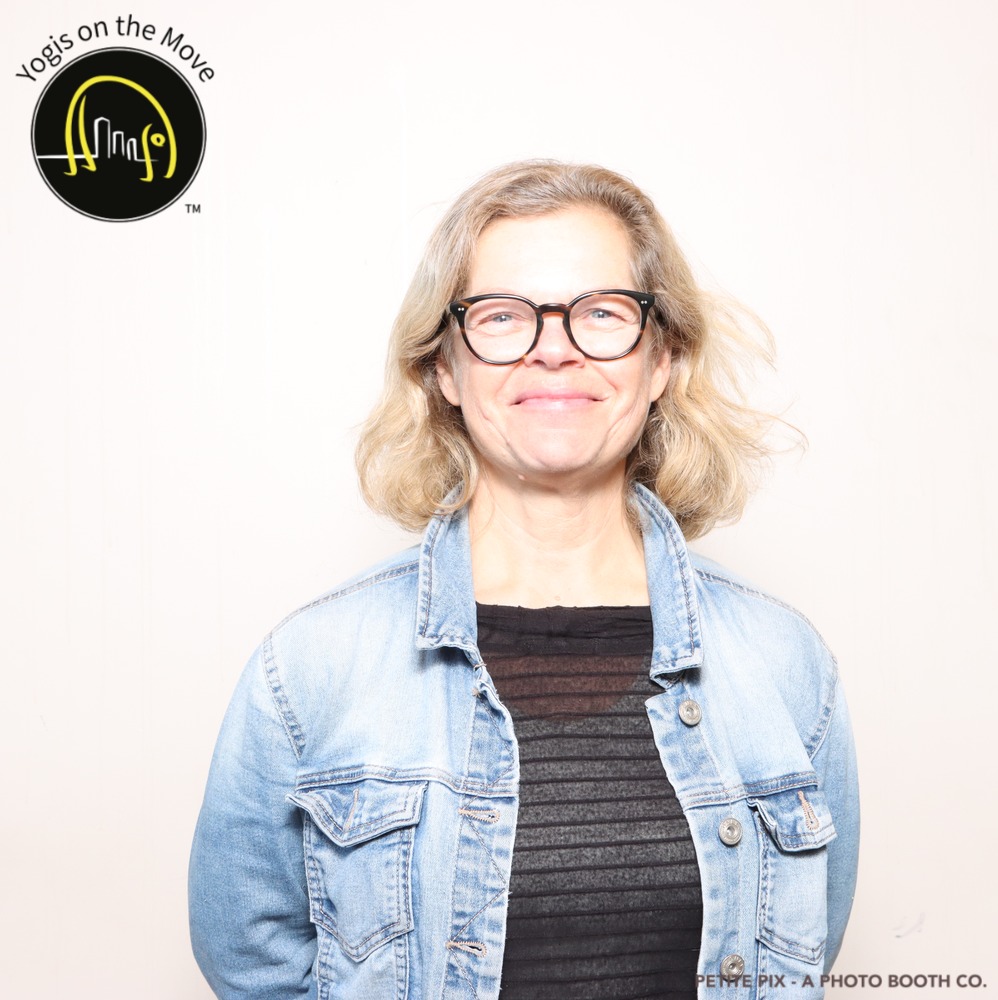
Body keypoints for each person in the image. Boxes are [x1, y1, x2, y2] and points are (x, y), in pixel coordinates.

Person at [189, 161, 859, 1000]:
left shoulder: (784, 662)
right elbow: (249, 959)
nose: (554, 347)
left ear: (661, 361)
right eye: (503, 316)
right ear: (443, 368)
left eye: (602, 312)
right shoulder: (310, 667)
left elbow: (797, 955)